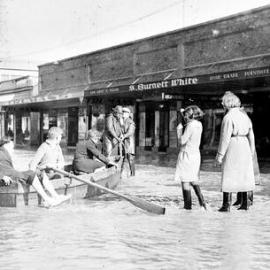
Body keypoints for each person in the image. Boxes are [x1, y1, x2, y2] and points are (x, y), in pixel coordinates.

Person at [0, 137, 68, 207]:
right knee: (31, 174)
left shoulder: (4, 152)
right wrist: (2, 176)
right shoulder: (1, 153)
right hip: (10, 175)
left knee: (39, 172)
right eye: (11, 147)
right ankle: (47, 199)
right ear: (6, 145)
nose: (13, 150)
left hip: (12, 173)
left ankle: (55, 196)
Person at [215, 91, 255, 212]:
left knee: (229, 173)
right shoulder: (244, 116)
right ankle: (245, 204)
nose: (222, 104)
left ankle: (226, 205)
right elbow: (251, 134)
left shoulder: (228, 117)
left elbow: (225, 138)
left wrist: (220, 155)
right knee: (244, 174)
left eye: (223, 102)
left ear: (227, 103)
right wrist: (251, 150)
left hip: (233, 145)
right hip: (245, 145)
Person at [174, 105, 207, 210]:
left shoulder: (190, 125)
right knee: (193, 178)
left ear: (192, 115)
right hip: (196, 155)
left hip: (186, 154)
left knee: (185, 181)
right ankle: (203, 203)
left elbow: (182, 141)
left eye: (187, 115)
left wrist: (179, 131)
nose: (185, 117)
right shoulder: (199, 124)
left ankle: (187, 207)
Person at [121, 107, 136, 176]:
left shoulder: (131, 122)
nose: (122, 114)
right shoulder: (122, 122)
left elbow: (130, 132)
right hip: (123, 143)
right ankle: (120, 173)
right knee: (122, 159)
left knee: (130, 159)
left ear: (127, 114)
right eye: (122, 112)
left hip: (129, 143)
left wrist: (123, 136)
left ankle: (133, 174)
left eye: (124, 113)